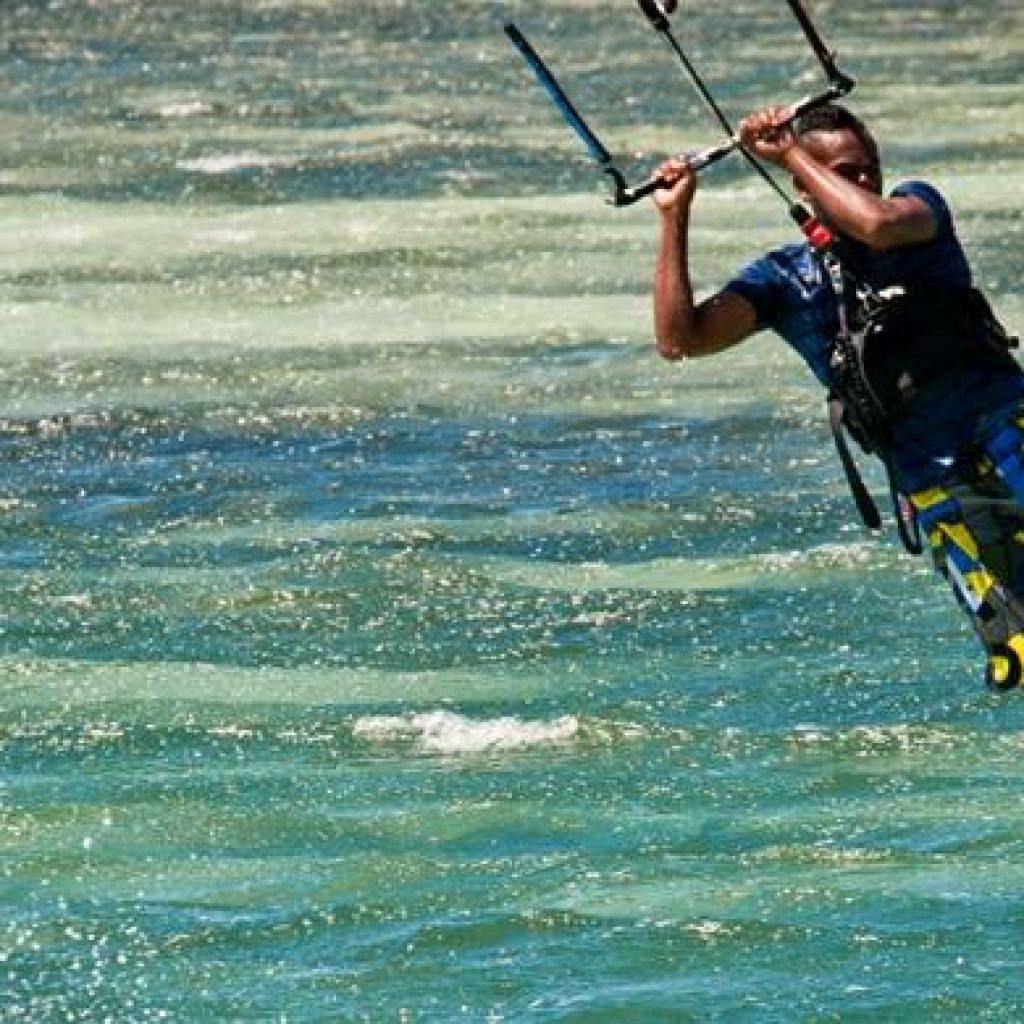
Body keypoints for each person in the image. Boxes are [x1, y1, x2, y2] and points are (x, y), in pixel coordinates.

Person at [650, 101, 1024, 689]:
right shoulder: (785, 279)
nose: (865, 182)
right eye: (845, 174)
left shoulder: (916, 211)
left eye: (866, 168)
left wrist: (789, 152)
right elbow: (681, 340)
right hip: (931, 482)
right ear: (803, 188)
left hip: (1007, 432)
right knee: (1017, 650)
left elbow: (874, 222)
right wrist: (675, 218)